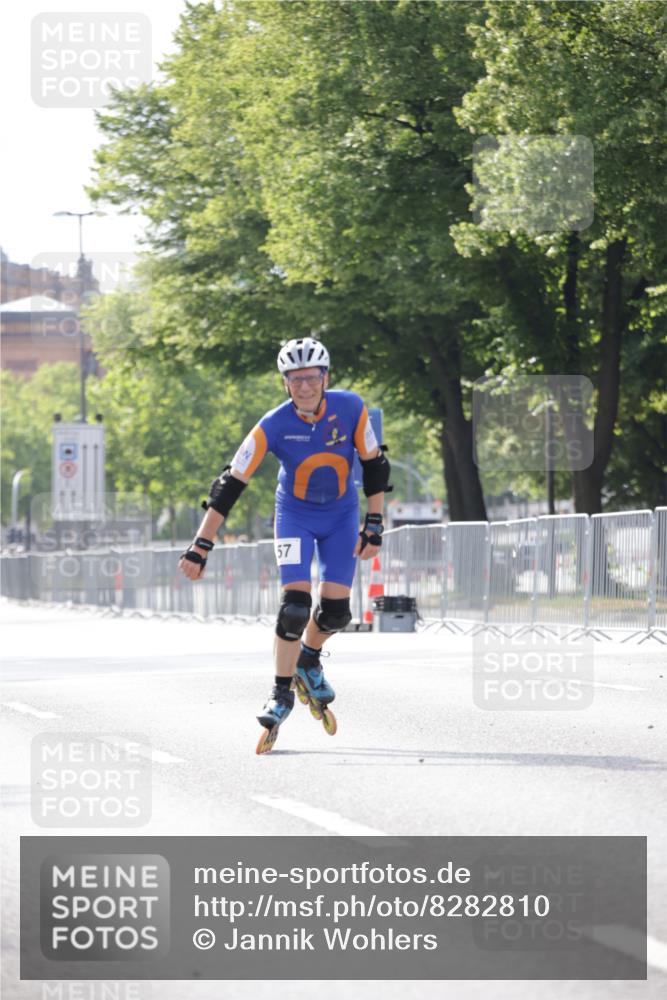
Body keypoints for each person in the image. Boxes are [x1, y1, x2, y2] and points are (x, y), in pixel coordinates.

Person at [178, 337, 392, 751]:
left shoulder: (350, 408)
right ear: (285, 384)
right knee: (294, 608)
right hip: (294, 515)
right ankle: (281, 692)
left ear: (325, 378)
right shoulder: (273, 424)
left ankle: (308, 658)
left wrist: (375, 523)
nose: (305, 387)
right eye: (296, 380)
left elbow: (375, 464)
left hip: (341, 516)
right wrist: (200, 545)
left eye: (312, 378)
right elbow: (229, 484)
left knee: (335, 612)